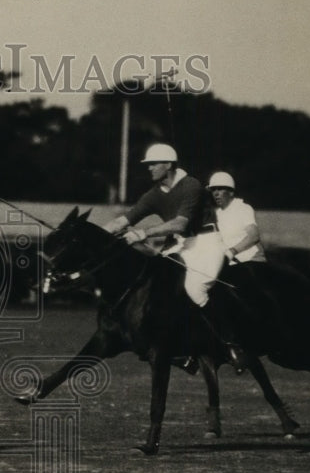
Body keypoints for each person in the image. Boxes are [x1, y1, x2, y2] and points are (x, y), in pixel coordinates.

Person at [103, 143, 245, 373]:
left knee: (195, 288)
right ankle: (179, 349)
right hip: (181, 244)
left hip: (207, 242)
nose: (149, 169)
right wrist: (93, 234)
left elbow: (180, 223)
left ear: (168, 165)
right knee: (155, 282)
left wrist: (144, 233)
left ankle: (230, 344)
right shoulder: (153, 194)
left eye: (153, 164)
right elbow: (123, 221)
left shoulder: (192, 185)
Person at [207, 171, 267, 264]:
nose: (216, 193)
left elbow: (254, 236)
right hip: (230, 264)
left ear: (231, 192)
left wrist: (232, 252)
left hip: (252, 261)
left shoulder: (243, 208)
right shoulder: (216, 214)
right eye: (213, 190)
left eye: (220, 189)